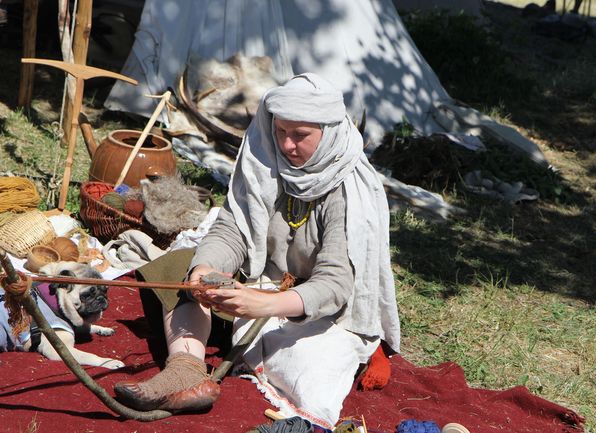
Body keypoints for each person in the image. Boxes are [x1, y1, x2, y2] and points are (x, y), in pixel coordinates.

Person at [114, 73, 400, 429]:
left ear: (328, 132)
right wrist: (205, 270)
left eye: (300, 136)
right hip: (261, 287)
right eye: (281, 132)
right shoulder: (267, 160)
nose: (287, 145)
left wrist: (263, 304)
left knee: (311, 369)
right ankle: (185, 370)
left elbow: (335, 284)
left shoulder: (347, 189)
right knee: (181, 267)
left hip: (320, 311)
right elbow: (233, 228)